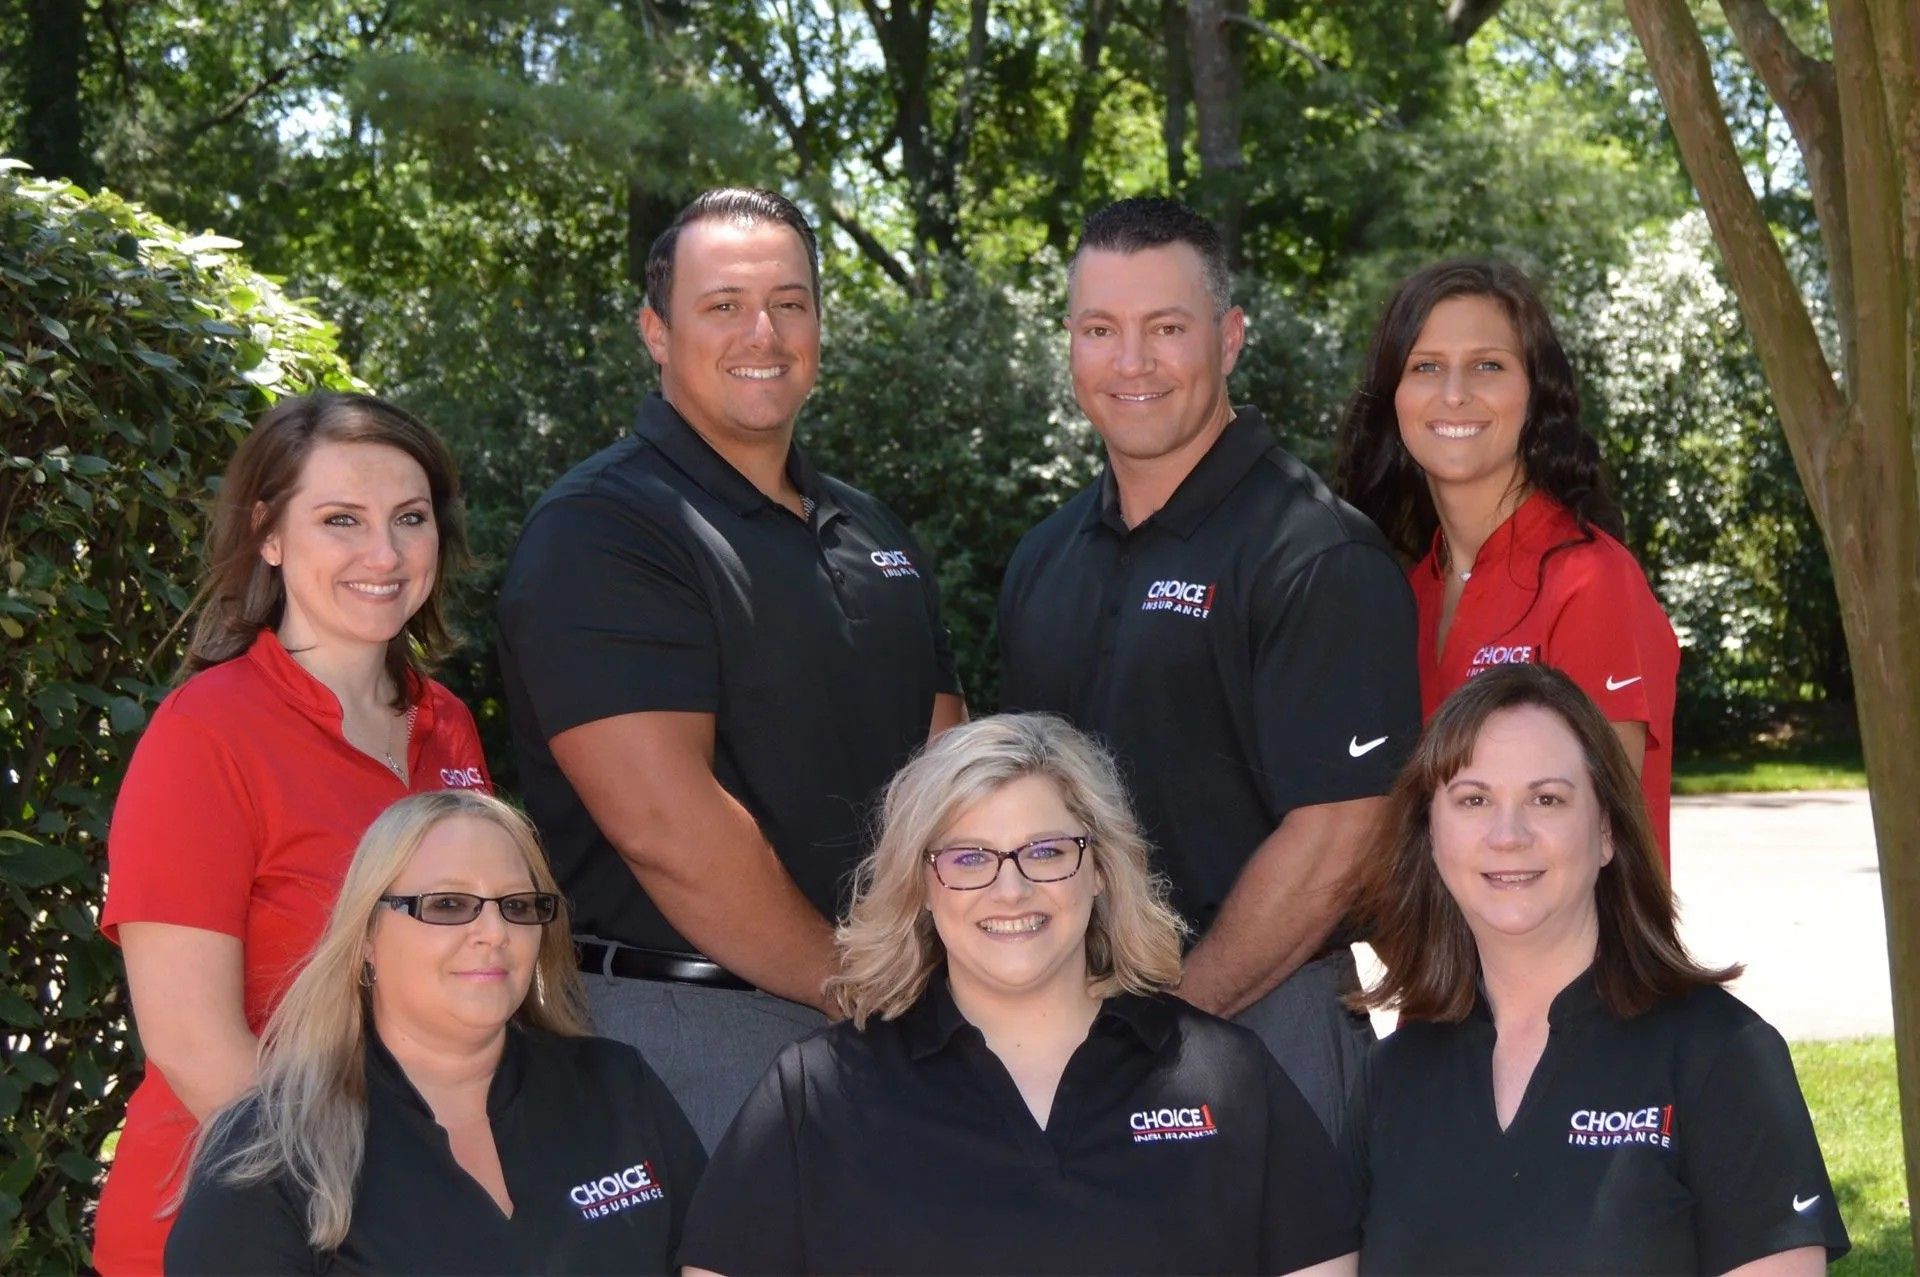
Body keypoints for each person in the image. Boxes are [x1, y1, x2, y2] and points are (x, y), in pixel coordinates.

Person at [495, 187, 965, 1147]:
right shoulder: (603, 530)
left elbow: (948, 766)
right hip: (688, 1037)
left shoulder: (870, 529)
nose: (765, 330)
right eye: (723, 305)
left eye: (791, 303)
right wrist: (862, 988)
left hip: (888, 1021)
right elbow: (668, 827)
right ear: (655, 332)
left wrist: (941, 977)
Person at [998, 197, 1420, 1134]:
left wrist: (1171, 1014)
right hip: (1072, 1035)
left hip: (1261, 1023)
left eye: (1167, 328)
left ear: (1228, 339)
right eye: (1101, 329)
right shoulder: (1044, 557)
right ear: (1069, 342)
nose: (1132, 362)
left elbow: (1339, 836)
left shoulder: (1315, 554)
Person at [678, 714, 1358, 1277]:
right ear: (920, 886)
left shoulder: (1226, 1075)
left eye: (1047, 850)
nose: (1011, 889)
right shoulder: (816, 1093)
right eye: (969, 857)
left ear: (1100, 871)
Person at [95, 392, 492, 1274]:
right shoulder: (206, 732)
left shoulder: (449, 726)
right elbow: (196, 1041)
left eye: (410, 518)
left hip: (416, 1213)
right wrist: (370, 1205)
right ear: (269, 533)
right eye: (341, 519)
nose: (383, 554)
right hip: (241, 1220)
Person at [1341, 664, 1849, 1275]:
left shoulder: (1723, 1056)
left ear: (1606, 830)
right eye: (1474, 799)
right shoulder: (1391, 1075)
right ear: (1429, 834)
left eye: (1547, 799)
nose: (1509, 834)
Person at [165, 789, 706, 1273]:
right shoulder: (268, 1151)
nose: (494, 932)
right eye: (448, 904)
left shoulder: (616, 1087)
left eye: (517, 906)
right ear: (366, 941)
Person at [1334, 259, 1680, 867]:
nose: (1455, 393)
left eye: (1488, 365)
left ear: (1536, 395)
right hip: (1444, 963)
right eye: (1426, 367)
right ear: (1394, 398)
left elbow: (1587, 842)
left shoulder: (1592, 582)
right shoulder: (1404, 593)